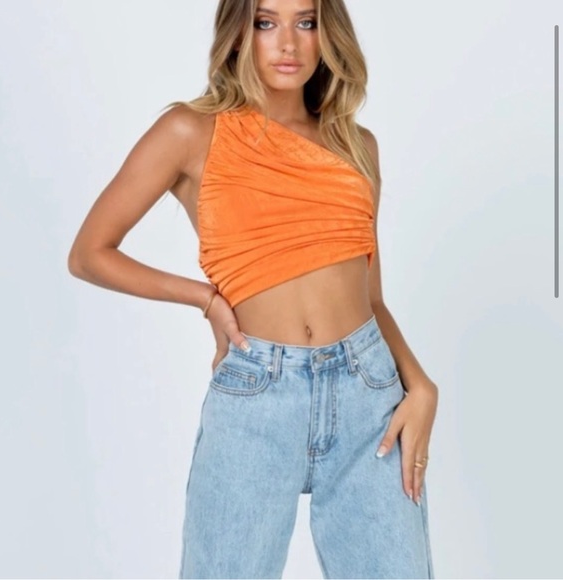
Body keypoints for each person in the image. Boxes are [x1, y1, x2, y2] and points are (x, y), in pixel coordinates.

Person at [68, 0, 438, 577]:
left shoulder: (356, 144)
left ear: (327, 34)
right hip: (256, 392)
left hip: (369, 394)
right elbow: (90, 253)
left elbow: (370, 298)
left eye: (306, 22)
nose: (287, 43)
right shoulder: (190, 131)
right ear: (239, 34)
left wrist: (421, 386)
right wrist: (205, 299)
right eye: (266, 22)